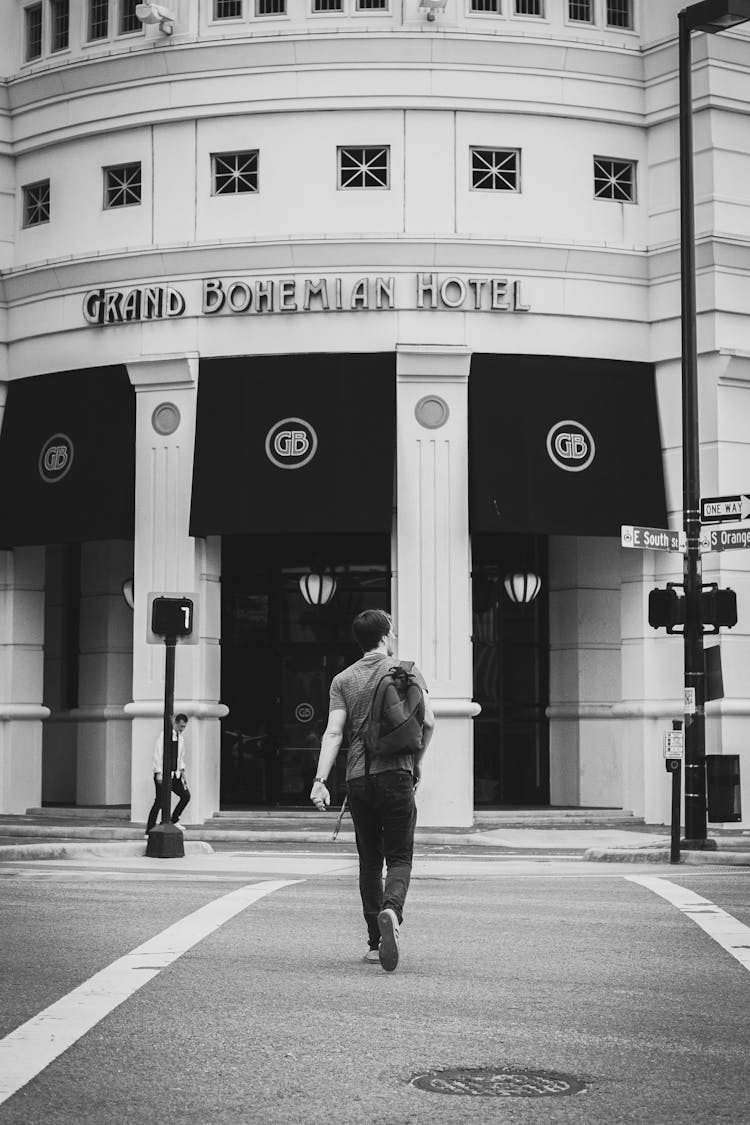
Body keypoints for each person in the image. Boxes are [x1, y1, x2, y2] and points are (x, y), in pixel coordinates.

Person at [310, 610, 435, 972]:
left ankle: (375, 942)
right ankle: (391, 911)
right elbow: (428, 723)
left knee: (369, 861)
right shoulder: (405, 671)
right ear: (387, 636)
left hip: (359, 779)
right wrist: (419, 762)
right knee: (400, 857)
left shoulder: (342, 679)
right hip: (397, 774)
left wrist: (320, 781)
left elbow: (334, 732)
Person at [146, 713, 191, 835]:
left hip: (176, 774)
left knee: (186, 796)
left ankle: (173, 819)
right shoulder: (165, 735)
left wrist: (182, 771)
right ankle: (149, 830)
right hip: (164, 774)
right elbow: (158, 754)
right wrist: (159, 773)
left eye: (184, 727)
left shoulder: (180, 737)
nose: (182, 729)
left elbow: (180, 756)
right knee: (159, 802)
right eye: (181, 726)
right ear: (175, 723)